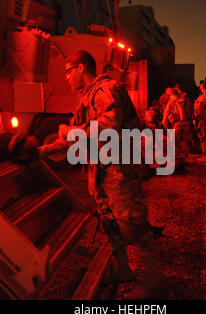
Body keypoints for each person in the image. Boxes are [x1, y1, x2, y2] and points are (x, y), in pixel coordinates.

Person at [33, 50, 161, 298]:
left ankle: (152, 280)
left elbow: (108, 125)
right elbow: (78, 135)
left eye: (68, 72)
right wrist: (43, 151)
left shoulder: (105, 89)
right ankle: (122, 269)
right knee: (109, 221)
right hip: (101, 168)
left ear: (81, 68)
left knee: (131, 221)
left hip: (119, 165)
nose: (67, 78)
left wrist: (70, 132)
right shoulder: (87, 97)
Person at [162, 91, 193, 172]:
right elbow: (192, 112)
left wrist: (165, 122)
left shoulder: (172, 101)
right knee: (185, 142)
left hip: (177, 124)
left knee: (175, 143)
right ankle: (183, 159)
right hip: (187, 123)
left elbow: (166, 113)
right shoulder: (186, 100)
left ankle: (176, 161)